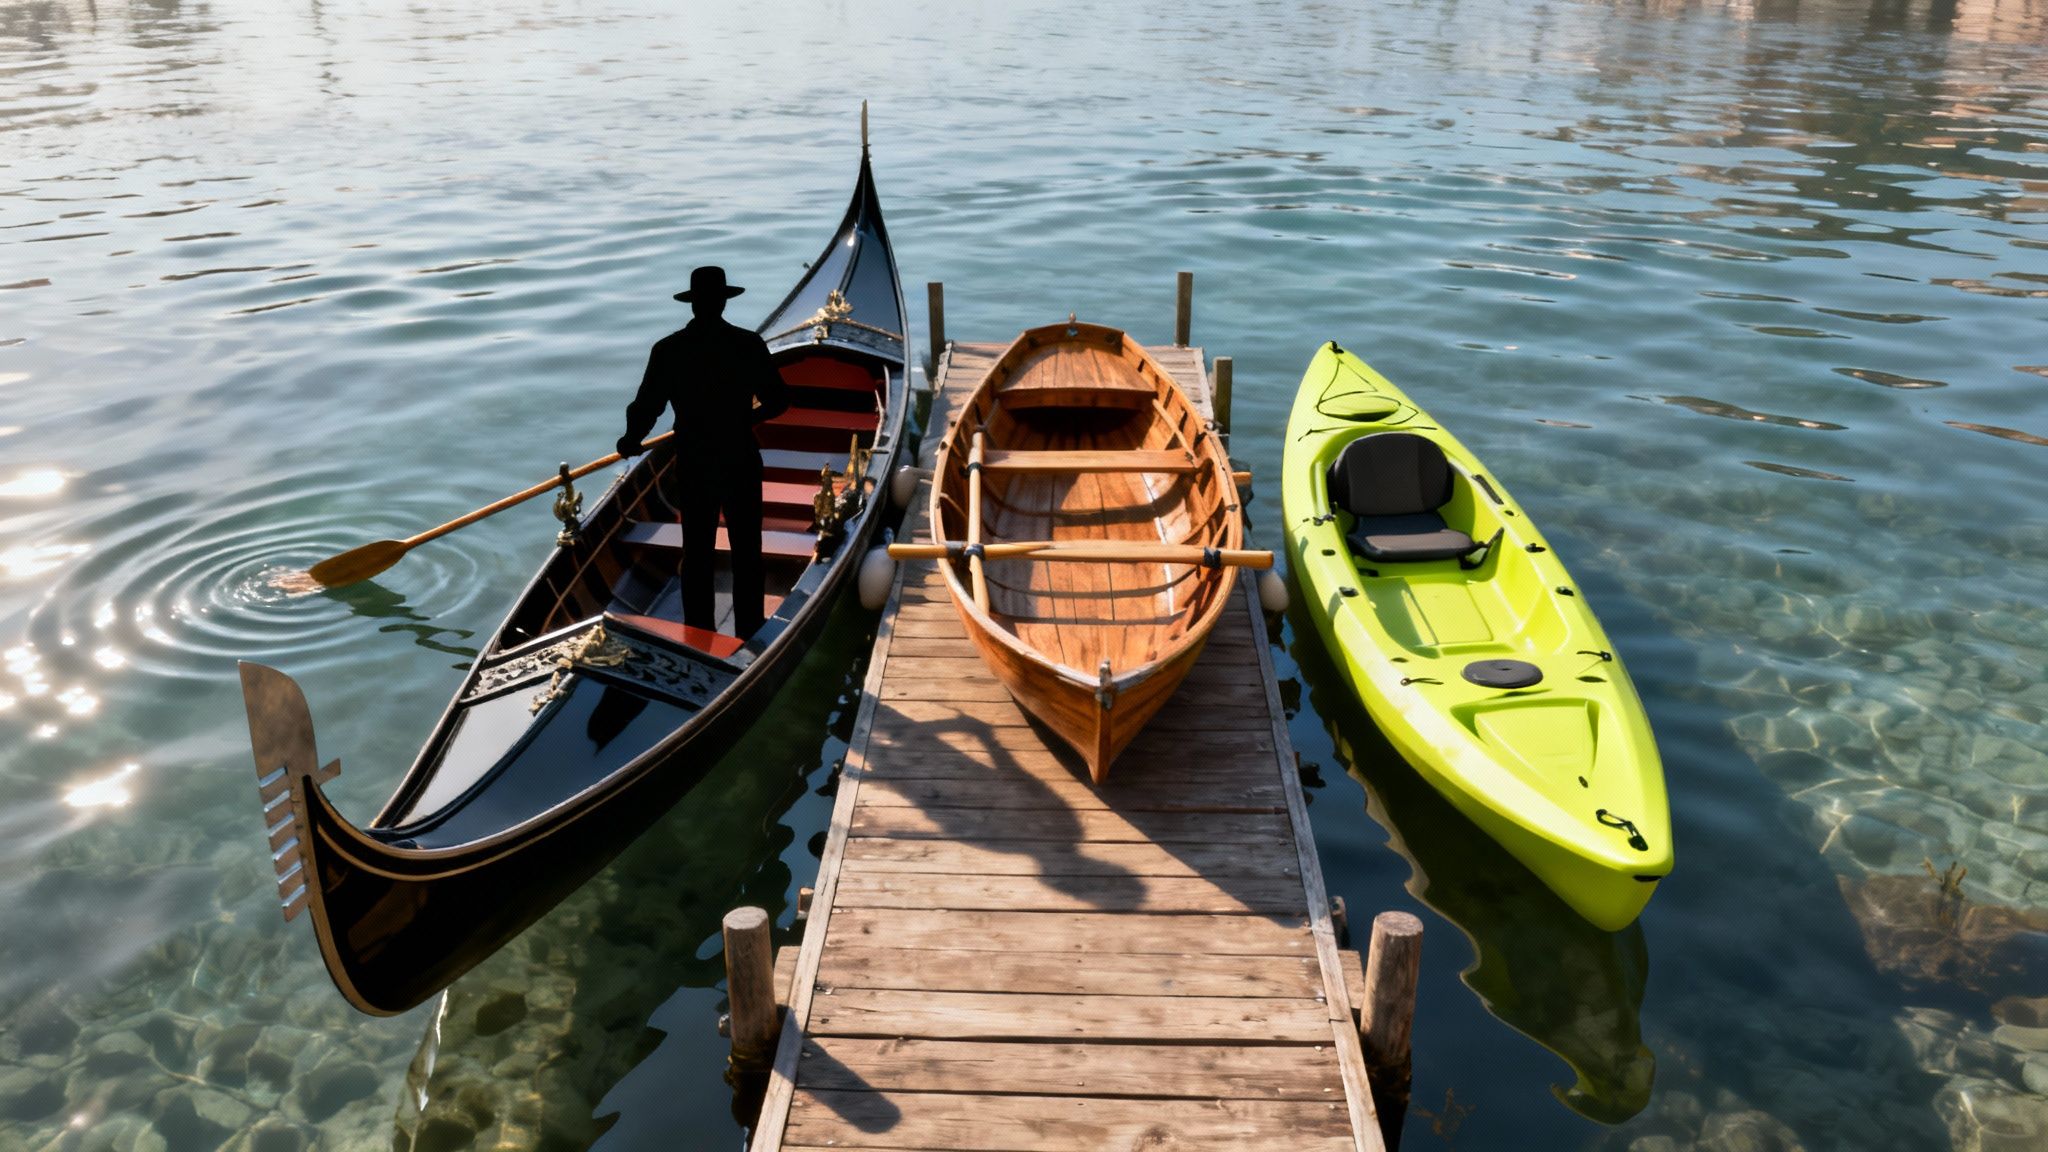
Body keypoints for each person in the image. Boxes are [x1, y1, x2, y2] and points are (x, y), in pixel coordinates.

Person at [617, 265, 788, 639]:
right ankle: (749, 631)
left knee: (696, 552)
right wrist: (746, 418)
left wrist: (630, 441)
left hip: (694, 460)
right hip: (740, 454)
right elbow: (779, 402)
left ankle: (698, 634)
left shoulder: (667, 350)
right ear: (724, 302)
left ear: (693, 305)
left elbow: (647, 408)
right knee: (747, 549)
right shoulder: (747, 345)